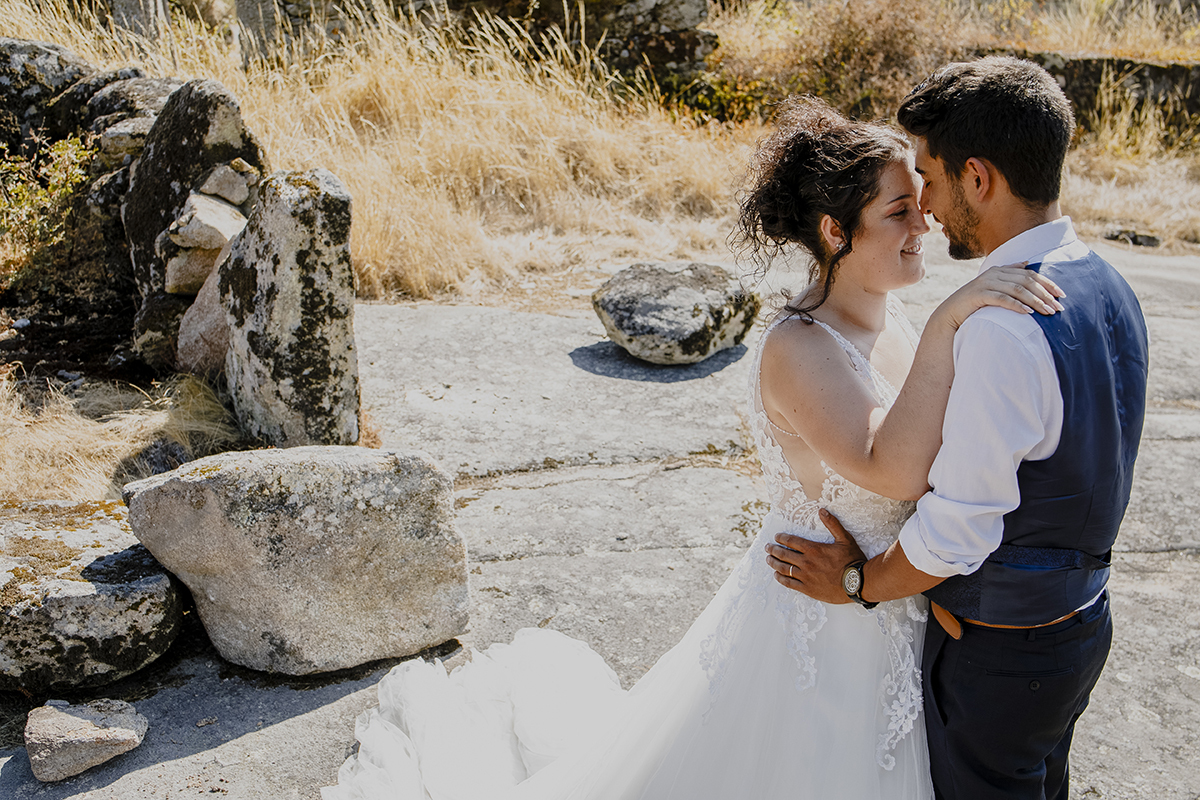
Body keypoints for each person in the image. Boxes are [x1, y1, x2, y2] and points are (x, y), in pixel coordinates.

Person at [321, 96, 1064, 800]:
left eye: (920, 202)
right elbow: (891, 469)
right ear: (836, 232)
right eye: (899, 211)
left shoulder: (895, 319)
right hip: (817, 624)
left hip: (883, 609)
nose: (924, 222)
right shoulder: (801, 347)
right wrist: (951, 322)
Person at [767, 56, 1150, 800]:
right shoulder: (1107, 281)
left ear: (977, 178)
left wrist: (858, 582)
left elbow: (958, 530)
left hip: (1003, 653)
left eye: (930, 179)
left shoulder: (1003, 326)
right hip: (1080, 625)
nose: (929, 208)